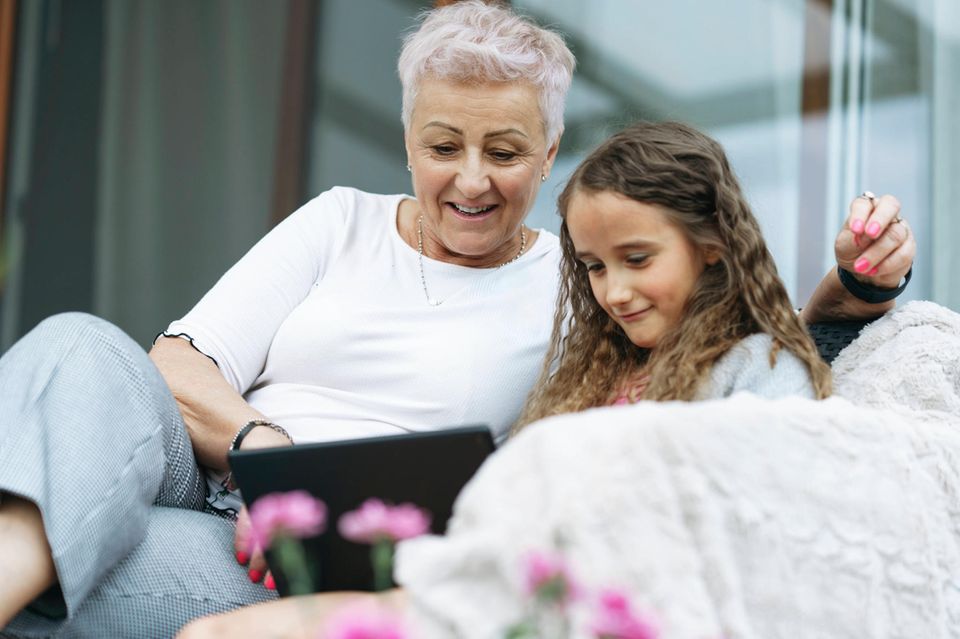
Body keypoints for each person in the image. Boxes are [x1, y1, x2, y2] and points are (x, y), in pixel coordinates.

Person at [0, 1, 914, 637]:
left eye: (505, 151)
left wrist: (851, 293)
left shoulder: (580, 283)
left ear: (550, 152)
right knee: (82, 345)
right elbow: (172, 368)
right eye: (442, 146)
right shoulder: (338, 219)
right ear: (409, 141)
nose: (470, 179)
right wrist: (267, 444)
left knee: (82, 556)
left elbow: (723, 328)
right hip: (201, 467)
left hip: (307, 551)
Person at [514, 120, 832, 431]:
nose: (615, 294)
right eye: (595, 267)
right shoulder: (589, 376)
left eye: (637, 259)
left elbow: (779, 474)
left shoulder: (761, 366)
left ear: (711, 242)